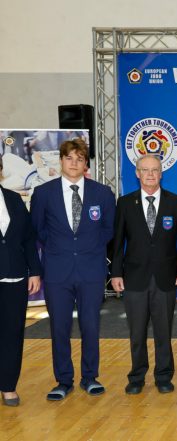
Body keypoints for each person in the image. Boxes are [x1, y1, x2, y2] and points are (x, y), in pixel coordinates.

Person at [30, 139, 115, 401]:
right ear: (61, 161)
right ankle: (63, 380)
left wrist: (89, 248)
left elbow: (108, 230)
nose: (74, 163)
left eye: (79, 158)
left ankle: (90, 377)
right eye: (69, 158)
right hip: (57, 271)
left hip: (91, 271)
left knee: (90, 326)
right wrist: (61, 247)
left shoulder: (103, 193)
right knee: (59, 328)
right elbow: (38, 230)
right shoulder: (43, 193)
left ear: (86, 163)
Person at [111, 154, 177, 395]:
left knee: (163, 331)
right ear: (137, 173)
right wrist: (116, 273)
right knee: (136, 333)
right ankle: (137, 376)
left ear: (161, 173)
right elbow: (117, 242)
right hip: (134, 278)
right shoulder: (125, 203)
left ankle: (164, 376)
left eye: (155, 170)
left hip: (166, 277)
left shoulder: (176, 202)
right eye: (145, 170)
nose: (150, 174)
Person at [0, 155, 42, 406]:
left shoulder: (14, 199)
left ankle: (8, 386)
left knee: (13, 333)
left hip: (15, 277)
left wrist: (34, 271)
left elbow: (28, 238)